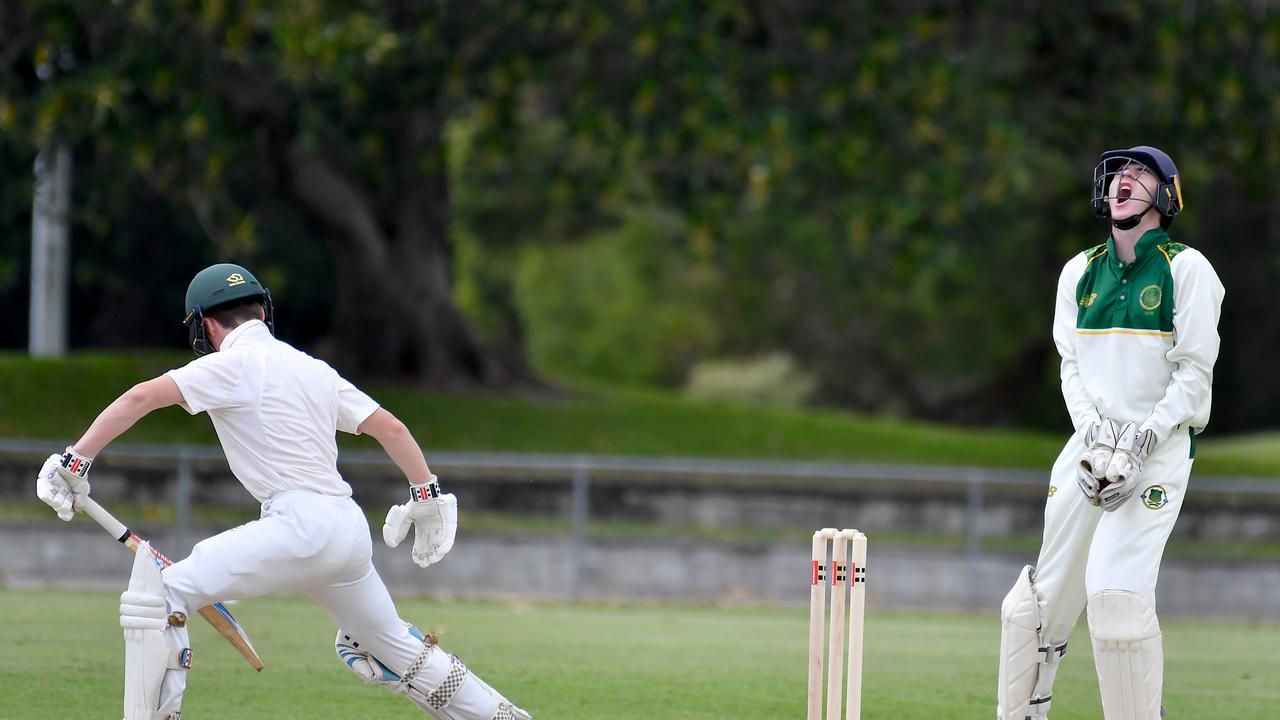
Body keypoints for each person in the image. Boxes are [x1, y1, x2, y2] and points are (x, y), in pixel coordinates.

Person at [35, 262, 532, 720]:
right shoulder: (314, 369)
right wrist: (427, 496)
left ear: (205, 325)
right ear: (264, 310)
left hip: (298, 528)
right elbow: (393, 429)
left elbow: (142, 396)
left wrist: (74, 462)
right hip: (346, 529)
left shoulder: (230, 365)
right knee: (388, 643)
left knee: (159, 594)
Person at [996, 146, 1224, 720]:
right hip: (1089, 451)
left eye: (1140, 172)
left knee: (1117, 599)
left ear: (1166, 195)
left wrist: (1142, 439)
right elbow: (1070, 365)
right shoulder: (1079, 271)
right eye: (1119, 171)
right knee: (1036, 604)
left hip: (1158, 452)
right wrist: (1095, 433)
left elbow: (1194, 374)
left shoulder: (1186, 269)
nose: (1124, 178)